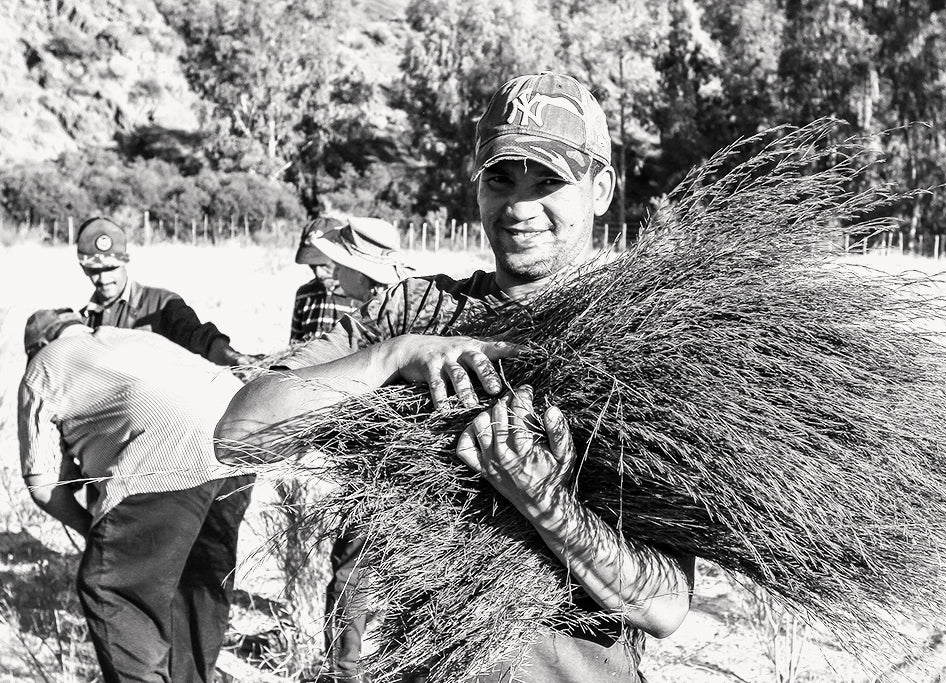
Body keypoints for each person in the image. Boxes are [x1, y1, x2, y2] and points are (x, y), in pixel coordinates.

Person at [215, 72, 692, 682]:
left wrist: (541, 500)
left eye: (549, 182)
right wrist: (392, 358)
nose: (520, 207)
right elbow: (239, 436)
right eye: (501, 179)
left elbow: (664, 605)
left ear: (600, 190)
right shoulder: (414, 312)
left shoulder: (647, 342)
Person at [17, 308, 254, 683]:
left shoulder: (43, 365)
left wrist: (92, 531)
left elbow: (43, 485)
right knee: (194, 586)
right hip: (238, 442)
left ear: (39, 344)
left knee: (111, 587)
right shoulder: (132, 337)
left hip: (166, 459)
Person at [288, 214, 412, 678]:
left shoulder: (391, 319)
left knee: (351, 575)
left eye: (340, 263)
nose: (332, 271)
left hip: (391, 472)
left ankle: (343, 673)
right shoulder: (386, 308)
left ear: (361, 272)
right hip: (374, 466)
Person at [76, 216, 254, 365]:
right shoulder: (83, 323)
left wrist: (232, 358)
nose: (104, 278)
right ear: (84, 269)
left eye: (111, 268)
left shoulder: (162, 304)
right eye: (95, 270)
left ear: (124, 262)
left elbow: (200, 338)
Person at [290, 215, 411, 343]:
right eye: (312, 266)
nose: (334, 275)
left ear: (360, 273)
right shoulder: (386, 304)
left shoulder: (386, 315)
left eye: (338, 266)